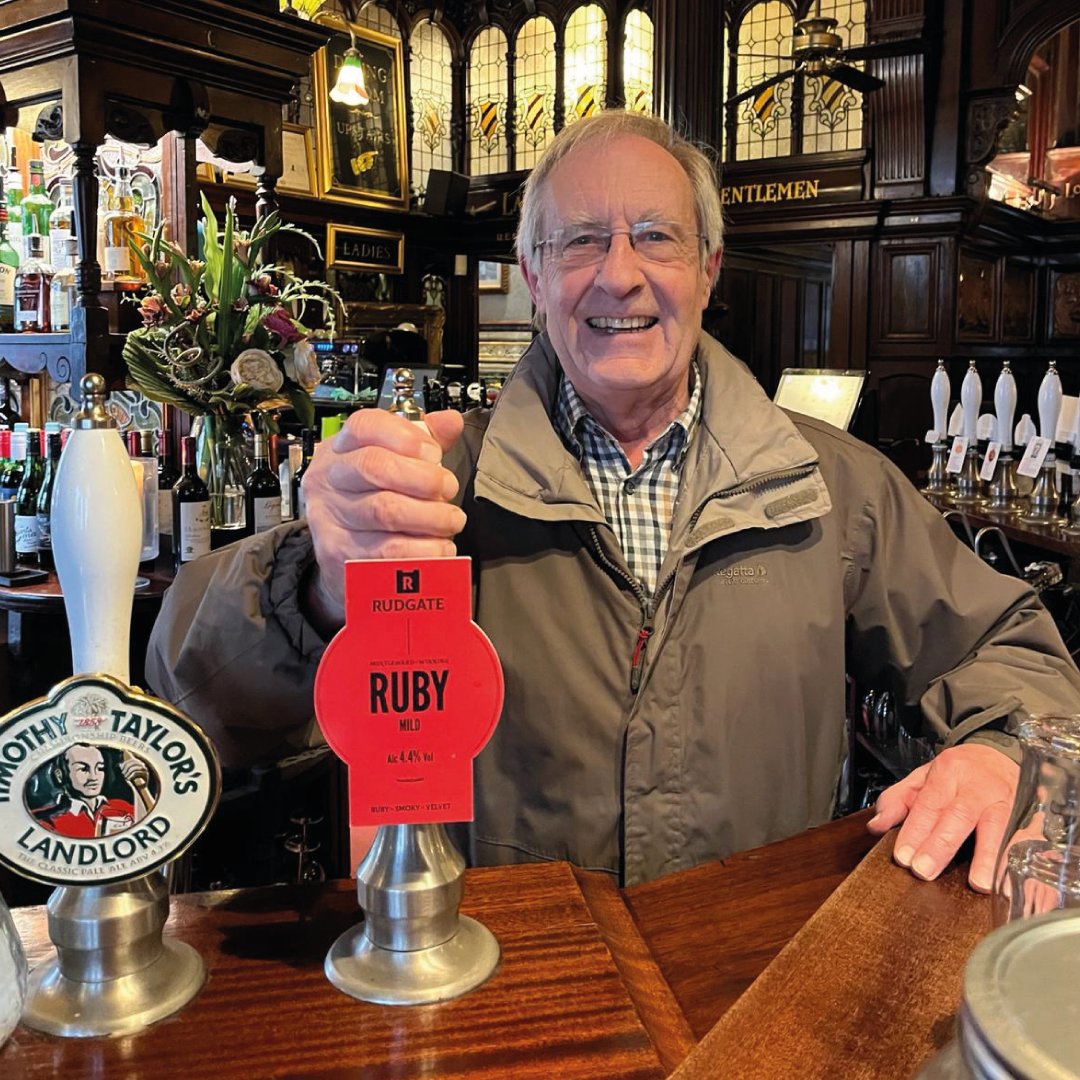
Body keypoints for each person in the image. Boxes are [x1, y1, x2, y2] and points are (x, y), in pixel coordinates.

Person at [147, 111, 1080, 888]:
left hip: (746, 993)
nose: (619, 273)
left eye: (657, 236)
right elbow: (192, 703)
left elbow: (1014, 651)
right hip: (505, 991)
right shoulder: (433, 488)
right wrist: (317, 582)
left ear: (709, 270)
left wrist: (1003, 755)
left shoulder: (834, 485)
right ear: (536, 277)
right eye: (580, 240)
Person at [33, 743, 149, 839]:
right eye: (84, 769)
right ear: (60, 775)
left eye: (100, 768)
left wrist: (140, 788)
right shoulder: (45, 819)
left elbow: (152, 833)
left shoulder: (123, 807)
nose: (94, 777)